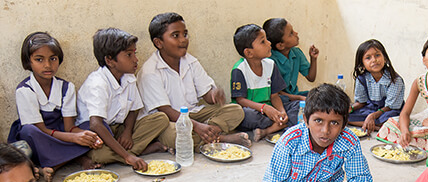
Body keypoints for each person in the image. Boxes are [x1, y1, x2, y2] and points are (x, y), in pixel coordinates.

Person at [250, 84, 372, 182]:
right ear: (306, 120)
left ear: (343, 125)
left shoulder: (349, 141)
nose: (325, 131)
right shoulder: (289, 141)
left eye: (334, 123)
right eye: (318, 121)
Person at [138, 12, 249, 149]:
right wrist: (196, 126)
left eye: (185, 34)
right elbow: (165, 110)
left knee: (236, 110)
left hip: (192, 114)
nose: (183, 40)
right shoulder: (150, 72)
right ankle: (219, 138)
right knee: (174, 135)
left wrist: (214, 94)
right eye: (175, 35)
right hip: (168, 121)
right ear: (158, 43)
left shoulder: (190, 61)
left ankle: (206, 137)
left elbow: (207, 96)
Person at [8, 32, 102, 182]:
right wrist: (74, 138)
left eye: (53, 59)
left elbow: (69, 127)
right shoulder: (25, 90)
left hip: (61, 133)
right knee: (28, 131)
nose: (47, 65)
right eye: (39, 60)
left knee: (98, 128)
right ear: (28, 62)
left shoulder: (66, 87)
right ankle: (74, 158)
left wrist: (85, 136)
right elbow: (42, 130)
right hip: (40, 137)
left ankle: (52, 166)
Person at [77, 28, 170, 171]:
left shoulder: (128, 77)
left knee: (160, 118)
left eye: (134, 53)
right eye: (128, 55)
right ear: (110, 60)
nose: (135, 59)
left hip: (118, 129)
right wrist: (127, 156)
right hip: (96, 134)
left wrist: (127, 132)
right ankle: (133, 153)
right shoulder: (97, 83)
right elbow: (96, 124)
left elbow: (134, 109)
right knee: (101, 155)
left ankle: (125, 153)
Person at [231, 24, 300, 142]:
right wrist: (265, 109)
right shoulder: (239, 69)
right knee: (246, 115)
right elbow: (240, 100)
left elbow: (274, 95)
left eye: (267, 39)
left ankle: (267, 130)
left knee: (299, 106)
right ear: (249, 53)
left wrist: (282, 112)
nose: (269, 43)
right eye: (263, 42)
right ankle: (280, 125)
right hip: (253, 111)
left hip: (270, 109)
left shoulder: (270, 65)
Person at [347, 39, 404, 133]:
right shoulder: (362, 79)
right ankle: (375, 125)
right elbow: (362, 102)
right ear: (362, 65)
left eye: (377, 55)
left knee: (391, 119)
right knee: (346, 116)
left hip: (388, 110)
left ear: (385, 58)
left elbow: (391, 106)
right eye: (368, 58)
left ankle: (373, 124)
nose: (374, 60)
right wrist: (351, 108)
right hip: (370, 108)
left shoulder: (394, 80)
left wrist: (372, 116)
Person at [263, 18, 318, 102]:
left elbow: (311, 77)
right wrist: (299, 98)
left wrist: (313, 59)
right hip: (280, 99)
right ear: (280, 45)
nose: (296, 33)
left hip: (295, 96)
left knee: (321, 96)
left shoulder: (296, 53)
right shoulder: (270, 60)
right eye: (291, 34)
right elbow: (276, 93)